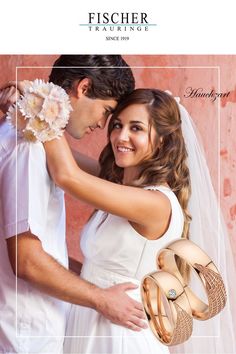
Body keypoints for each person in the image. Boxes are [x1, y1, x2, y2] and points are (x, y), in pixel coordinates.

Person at [0, 55, 148, 354]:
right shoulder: (29, 145)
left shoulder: (35, 138)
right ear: (83, 87)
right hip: (25, 335)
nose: (102, 125)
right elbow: (26, 261)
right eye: (106, 111)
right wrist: (102, 299)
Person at [43, 89, 190, 353]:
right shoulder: (119, 186)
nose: (121, 137)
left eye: (136, 128)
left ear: (161, 141)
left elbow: (67, 176)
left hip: (121, 333)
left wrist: (39, 106)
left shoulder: (156, 204)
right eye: (118, 125)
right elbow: (61, 157)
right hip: (92, 319)